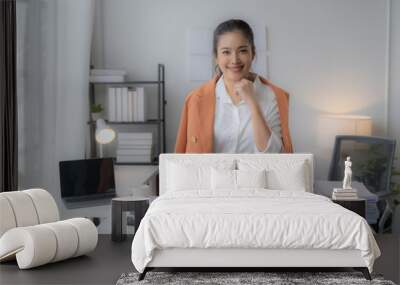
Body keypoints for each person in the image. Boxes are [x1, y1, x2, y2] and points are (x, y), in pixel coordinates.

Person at [175, 19, 293, 153]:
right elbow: (184, 160)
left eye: (242, 51)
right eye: (226, 52)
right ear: (216, 56)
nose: (235, 60)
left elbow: (275, 155)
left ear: (253, 53)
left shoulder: (273, 96)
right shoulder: (196, 99)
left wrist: (253, 103)